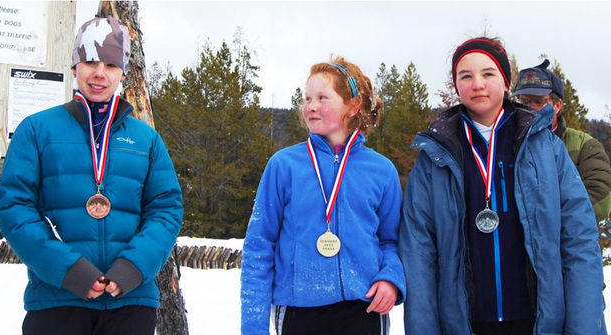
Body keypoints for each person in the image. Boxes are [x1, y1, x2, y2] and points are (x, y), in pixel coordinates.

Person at [399, 37, 606, 335]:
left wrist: (584, 326)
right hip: (465, 322)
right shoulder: (435, 157)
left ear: (506, 81)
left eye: (488, 73)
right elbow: (418, 251)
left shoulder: (546, 148)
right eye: (465, 76)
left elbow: (579, 241)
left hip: (539, 319)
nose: (477, 84)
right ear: (456, 86)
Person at [0, 16, 183, 335]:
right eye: (90, 61)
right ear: (75, 67)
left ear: (122, 72)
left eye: (110, 64)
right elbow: (14, 207)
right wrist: (67, 269)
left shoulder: (146, 139)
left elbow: (166, 209)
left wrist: (133, 268)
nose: (99, 73)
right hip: (56, 301)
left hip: (130, 304)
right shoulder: (37, 130)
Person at [241, 57, 405, 335]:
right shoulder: (284, 166)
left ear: (353, 106)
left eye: (322, 98)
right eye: (307, 98)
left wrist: (390, 278)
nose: (311, 106)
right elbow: (259, 246)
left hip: (363, 309)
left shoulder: (381, 170)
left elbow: (392, 240)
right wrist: (253, 327)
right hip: (297, 312)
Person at [514, 59, 611, 223]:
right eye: (524, 102)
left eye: (538, 101)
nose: (529, 108)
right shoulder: (504, 143)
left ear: (557, 105)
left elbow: (600, 199)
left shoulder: (584, 146)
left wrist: (546, 224)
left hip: (566, 243)